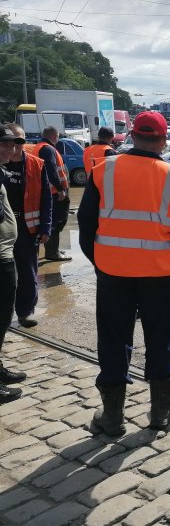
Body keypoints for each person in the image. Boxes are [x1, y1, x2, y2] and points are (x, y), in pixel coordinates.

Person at [78, 110, 170, 435]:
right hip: (160, 275)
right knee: (160, 339)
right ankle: (159, 413)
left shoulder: (103, 171)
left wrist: (102, 261)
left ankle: (113, 417)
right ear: (161, 140)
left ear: (131, 135)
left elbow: (86, 227)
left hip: (113, 273)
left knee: (114, 339)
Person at [6, 124, 52, 328]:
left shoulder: (37, 164)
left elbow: (46, 198)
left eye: (20, 141)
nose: (16, 145)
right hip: (3, 230)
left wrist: (46, 227)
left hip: (27, 229)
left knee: (28, 273)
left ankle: (25, 312)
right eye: (12, 141)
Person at [0, 125, 27, 403]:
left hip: (5, 254)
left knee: (3, 319)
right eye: (5, 144)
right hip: (0, 258)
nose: (12, 149)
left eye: (14, 144)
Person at [29, 126, 70, 261]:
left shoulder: (38, 147)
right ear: (54, 136)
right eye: (57, 136)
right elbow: (51, 170)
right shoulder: (48, 149)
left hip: (43, 191)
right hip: (54, 193)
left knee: (50, 223)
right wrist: (60, 190)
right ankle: (52, 253)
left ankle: (52, 250)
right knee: (56, 223)